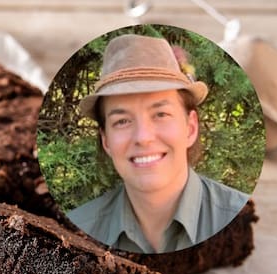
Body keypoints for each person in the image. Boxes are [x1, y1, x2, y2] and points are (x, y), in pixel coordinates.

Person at [67, 34, 251, 254]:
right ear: (106, 140)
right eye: (122, 121)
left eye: (161, 114)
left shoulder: (233, 218)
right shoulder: (79, 230)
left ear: (190, 128)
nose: (143, 137)